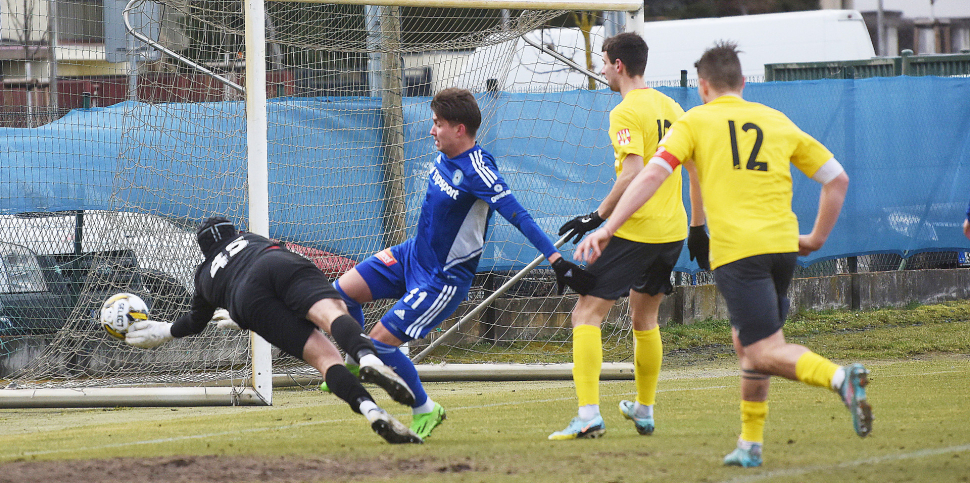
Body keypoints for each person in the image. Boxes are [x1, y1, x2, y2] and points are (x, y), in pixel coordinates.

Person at [575, 41, 871, 467]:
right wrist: (817, 239)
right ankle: (750, 444)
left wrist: (607, 226)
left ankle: (841, 378)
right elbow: (837, 179)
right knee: (748, 343)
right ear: (744, 83)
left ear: (703, 86)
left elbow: (647, 177)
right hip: (783, 249)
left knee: (762, 349)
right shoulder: (775, 120)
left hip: (740, 252)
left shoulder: (695, 122)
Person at [331, 87, 596, 440]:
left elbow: (518, 215)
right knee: (336, 296)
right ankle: (353, 360)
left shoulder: (478, 170)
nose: (431, 130)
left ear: (459, 129)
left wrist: (556, 259)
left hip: (441, 281)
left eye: (437, 124)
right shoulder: (442, 155)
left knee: (378, 345)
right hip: (410, 256)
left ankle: (425, 407)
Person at [124, 216, 424, 445]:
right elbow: (255, 267)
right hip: (276, 262)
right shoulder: (250, 238)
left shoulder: (203, 275)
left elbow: (195, 322)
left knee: (324, 360)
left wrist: (164, 331)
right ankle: (369, 361)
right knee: (332, 315)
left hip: (246, 301)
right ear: (235, 233)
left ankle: (371, 410)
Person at [548, 32, 706, 441]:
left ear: (618, 64)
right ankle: (644, 409)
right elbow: (694, 170)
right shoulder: (673, 106)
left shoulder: (625, 112)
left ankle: (587, 414)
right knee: (644, 317)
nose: (601, 70)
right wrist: (696, 228)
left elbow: (633, 172)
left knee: (586, 314)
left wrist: (598, 217)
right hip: (671, 232)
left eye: (603, 62)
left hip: (635, 230)